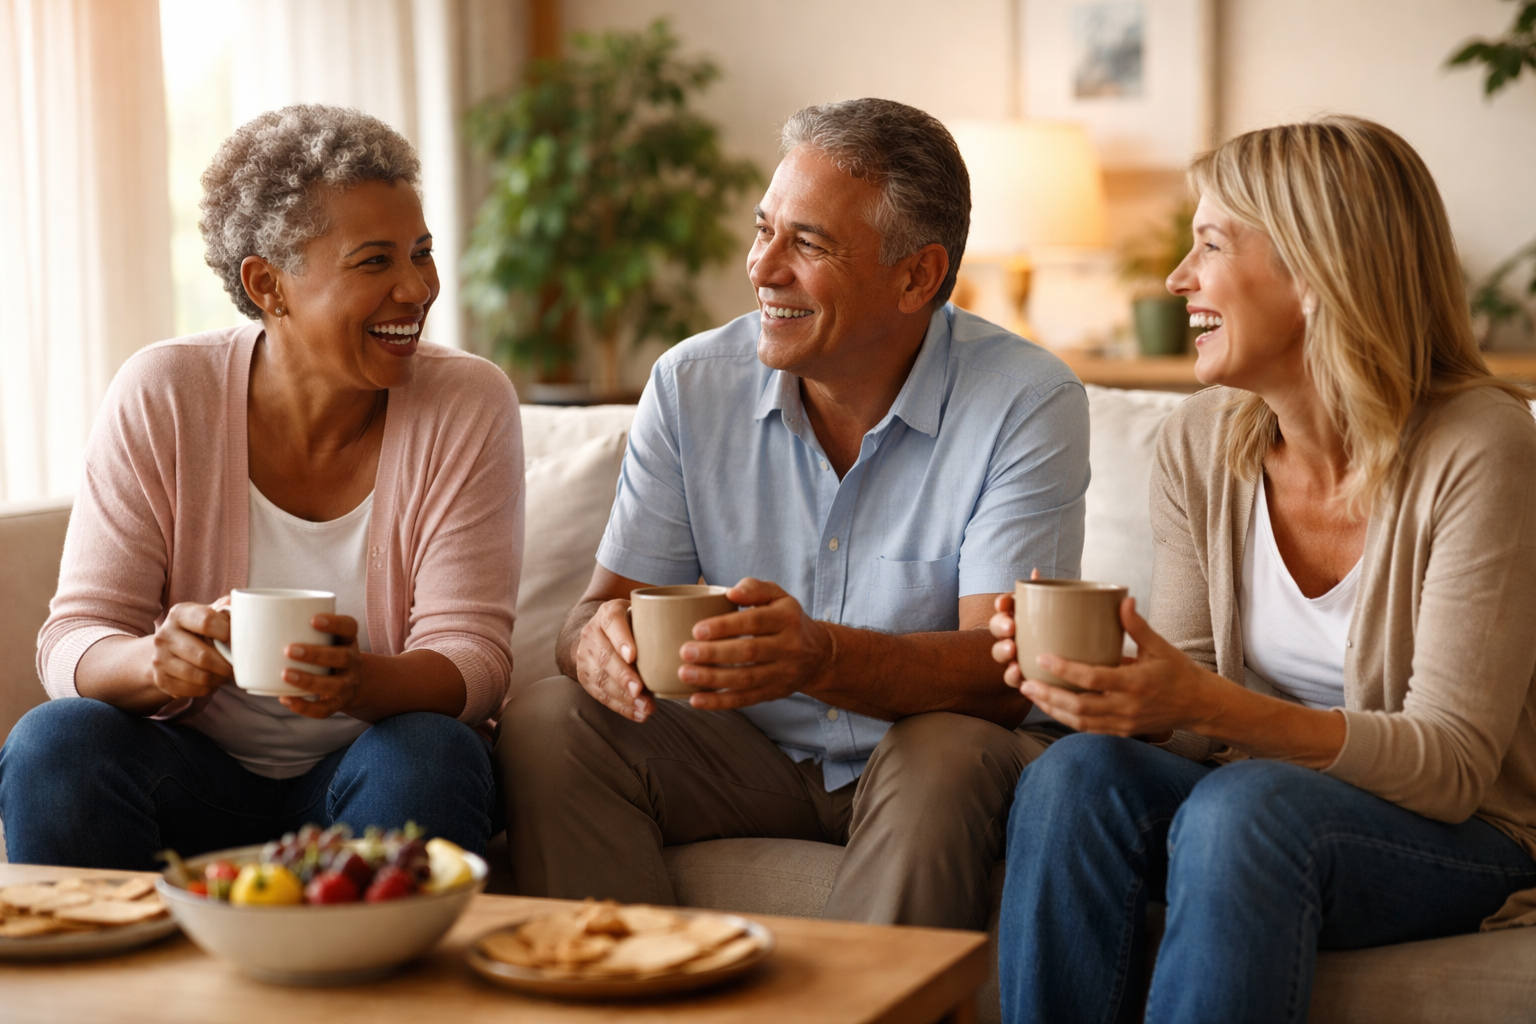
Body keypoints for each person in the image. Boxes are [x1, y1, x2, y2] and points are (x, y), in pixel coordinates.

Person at [988, 115, 1536, 1024]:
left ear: (1315, 275)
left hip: (1465, 836)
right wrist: (1108, 691)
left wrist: (1204, 705)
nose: (1177, 279)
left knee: (1244, 808)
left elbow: (1452, 766)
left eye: (1208, 244)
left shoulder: (1481, 446)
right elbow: (1197, 725)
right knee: (1073, 776)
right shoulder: (1201, 444)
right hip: (1249, 806)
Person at [497, 97, 1090, 930]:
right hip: (744, 755)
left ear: (917, 275)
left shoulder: (1026, 399)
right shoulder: (690, 383)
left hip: (921, 757)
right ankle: (622, 989)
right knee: (548, 720)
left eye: (806, 242)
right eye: (764, 228)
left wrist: (819, 655)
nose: (762, 266)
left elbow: (1002, 676)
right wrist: (593, 647)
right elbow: (599, 610)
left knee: (947, 749)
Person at [0, 105, 523, 868]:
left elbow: (474, 660)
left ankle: (378, 984)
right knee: (55, 740)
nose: (417, 288)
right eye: (375, 262)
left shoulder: (466, 401)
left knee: (430, 751)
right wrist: (156, 661)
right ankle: (107, 982)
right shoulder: (166, 391)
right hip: (188, 774)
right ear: (268, 285)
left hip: (376, 772)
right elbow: (73, 639)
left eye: (422, 252)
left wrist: (357, 682)